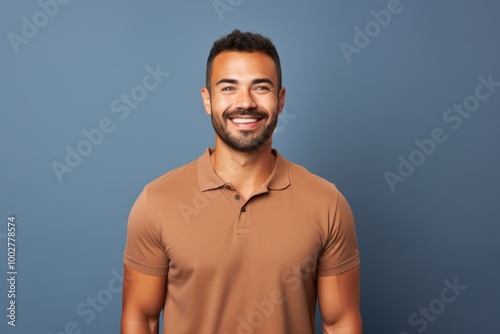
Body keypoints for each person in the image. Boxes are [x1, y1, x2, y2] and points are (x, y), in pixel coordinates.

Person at [121, 29, 361, 334]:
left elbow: (341, 324)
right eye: (228, 88)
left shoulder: (327, 203)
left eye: (260, 87)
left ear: (281, 99)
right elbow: (141, 318)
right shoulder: (156, 202)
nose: (245, 103)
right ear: (207, 100)